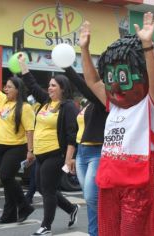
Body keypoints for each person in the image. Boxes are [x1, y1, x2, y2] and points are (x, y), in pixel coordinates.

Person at [79, 12, 154, 235]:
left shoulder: (151, 106)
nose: (116, 88)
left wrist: (147, 46)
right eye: (112, 79)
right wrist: (84, 50)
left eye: (124, 78)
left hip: (138, 187)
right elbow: (93, 81)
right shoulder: (114, 106)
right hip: (109, 182)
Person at [18, 57, 80, 236]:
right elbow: (32, 85)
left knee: (48, 191)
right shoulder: (46, 102)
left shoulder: (68, 107)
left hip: (55, 154)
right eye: (49, 85)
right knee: (42, 187)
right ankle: (71, 208)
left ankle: (46, 226)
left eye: (54, 85)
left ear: (62, 88)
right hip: (41, 153)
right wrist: (23, 65)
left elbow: (71, 136)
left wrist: (68, 159)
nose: (50, 88)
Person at [0, 70, 35, 224]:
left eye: (9, 87)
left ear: (18, 90)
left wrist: (30, 151)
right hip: (0, 147)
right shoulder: (4, 101)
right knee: (7, 182)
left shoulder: (25, 107)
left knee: (6, 176)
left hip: (16, 148)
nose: (5, 89)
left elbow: (29, 130)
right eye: (5, 87)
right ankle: (9, 215)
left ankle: (24, 206)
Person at [64, 66, 108, 236]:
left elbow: (82, 85)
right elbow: (79, 130)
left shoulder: (103, 96)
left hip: (98, 152)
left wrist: (67, 68)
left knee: (91, 198)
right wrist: (74, 156)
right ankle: (95, 232)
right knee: (91, 200)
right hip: (83, 153)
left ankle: (100, 232)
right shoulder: (88, 104)